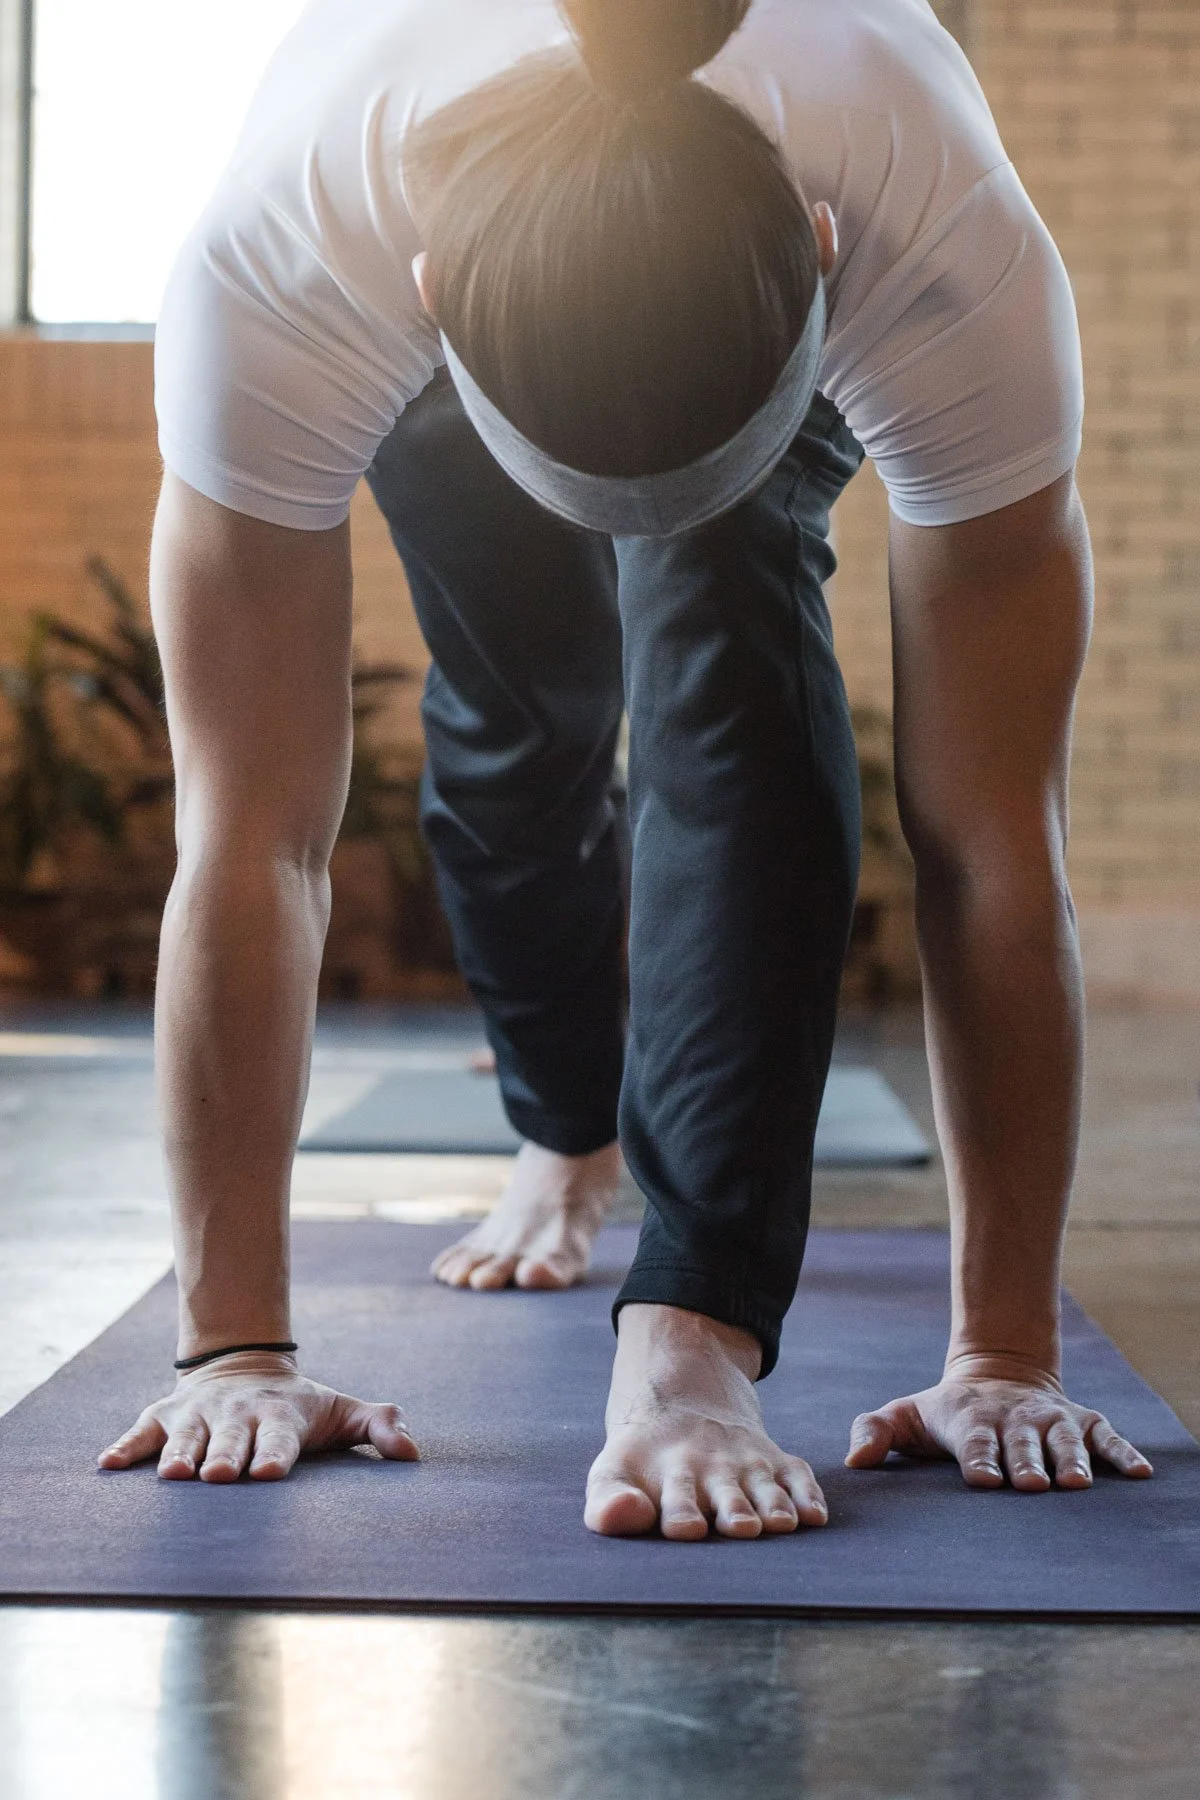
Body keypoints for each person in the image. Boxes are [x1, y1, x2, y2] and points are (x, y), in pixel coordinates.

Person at [98, 0, 1153, 1538]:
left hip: (730, 275)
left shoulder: (942, 238)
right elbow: (253, 838)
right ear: (430, 298)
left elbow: (993, 839)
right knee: (518, 720)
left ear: (820, 245)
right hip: (484, 282)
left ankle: (690, 1337)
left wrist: (1003, 1352)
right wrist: (233, 1348)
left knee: (733, 656)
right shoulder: (287, 266)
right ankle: (561, 1131)